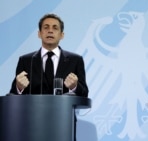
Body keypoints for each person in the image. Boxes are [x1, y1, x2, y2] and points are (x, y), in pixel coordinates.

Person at [9, 13, 89, 141]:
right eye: (46, 27)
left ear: (62, 35)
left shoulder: (75, 60)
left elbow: (84, 93)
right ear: (39, 33)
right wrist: (19, 87)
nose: (50, 30)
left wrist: (74, 87)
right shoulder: (26, 60)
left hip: (63, 124)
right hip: (32, 125)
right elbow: (13, 95)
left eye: (55, 28)